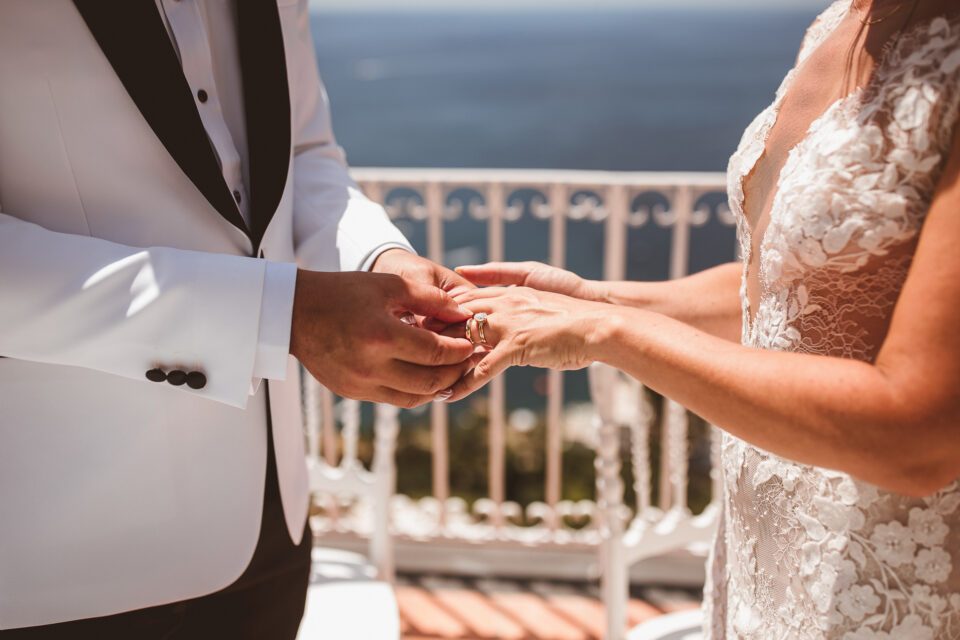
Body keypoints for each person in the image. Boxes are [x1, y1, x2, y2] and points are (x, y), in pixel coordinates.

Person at [448, 0, 960, 636]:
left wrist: (607, 333)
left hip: (888, 587)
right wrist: (597, 299)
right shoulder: (840, 22)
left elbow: (919, 436)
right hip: (759, 555)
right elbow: (783, 296)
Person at [0, 0, 477, 636]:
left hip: (271, 529)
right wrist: (279, 314)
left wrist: (379, 261)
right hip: (62, 559)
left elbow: (304, 152)